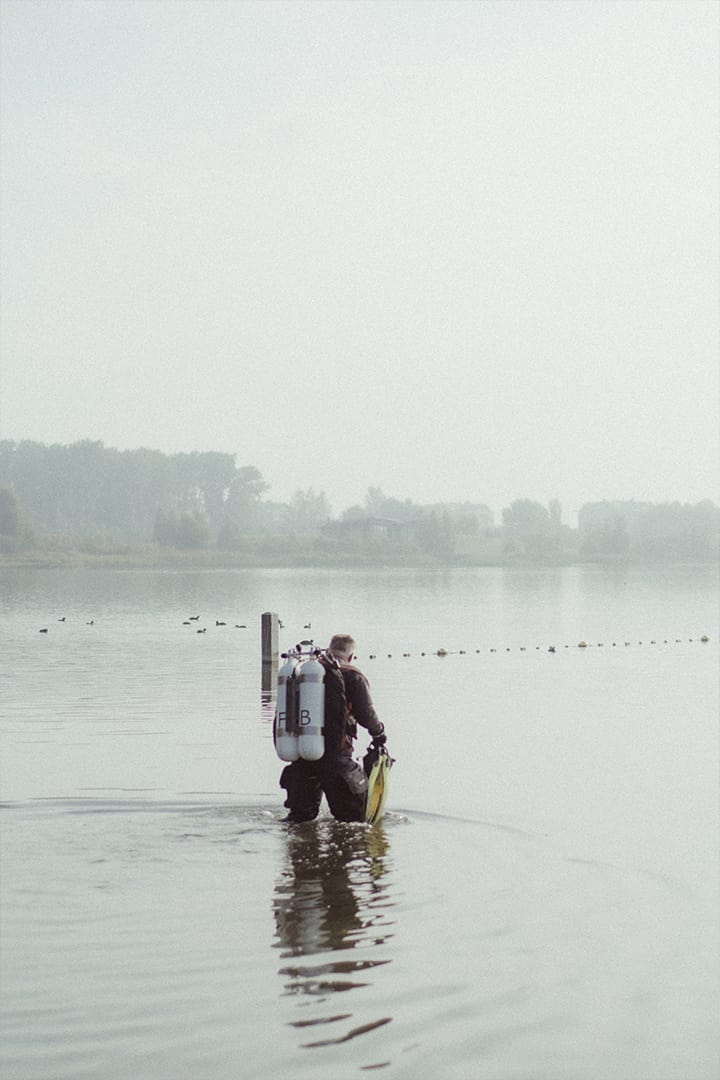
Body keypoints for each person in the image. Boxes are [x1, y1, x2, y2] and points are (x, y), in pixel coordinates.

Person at [280, 633, 386, 823]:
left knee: (299, 821)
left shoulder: (304, 672)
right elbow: (366, 714)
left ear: (329, 650)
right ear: (351, 656)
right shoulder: (352, 676)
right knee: (352, 822)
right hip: (336, 758)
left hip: (301, 756)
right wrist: (379, 734)